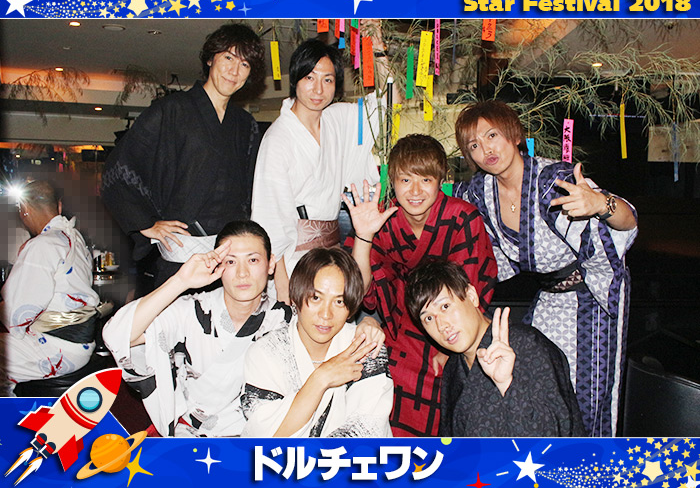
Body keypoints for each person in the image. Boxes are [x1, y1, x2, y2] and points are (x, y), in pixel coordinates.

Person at [455, 100, 638, 437]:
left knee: (588, 398)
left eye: (492, 135)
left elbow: (628, 221)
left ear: (514, 134)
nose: (486, 149)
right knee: (541, 388)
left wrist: (600, 204)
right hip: (547, 298)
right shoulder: (479, 192)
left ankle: (589, 464)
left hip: (591, 297)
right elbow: (474, 249)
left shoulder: (554, 179)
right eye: (474, 145)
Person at [103, 221, 384, 437]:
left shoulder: (284, 317)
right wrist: (180, 281)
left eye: (253, 260)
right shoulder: (190, 311)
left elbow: (334, 310)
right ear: (217, 265)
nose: (242, 273)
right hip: (192, 442)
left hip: (261, 443)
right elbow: (116, 336)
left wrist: (368, 323)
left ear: (271, 264)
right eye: (230, 261)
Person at [343, 134, 498, 437]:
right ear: (392, 182)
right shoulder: (382, 218)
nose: (415, 191)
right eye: (405, 180)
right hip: (399, 323)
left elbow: (472, 289)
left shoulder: (461, 218)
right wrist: (363, 236)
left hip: (453, 324)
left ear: (441, 180)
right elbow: (358, 291)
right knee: (389, 387)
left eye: (425, 180)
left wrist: (451, 347)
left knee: (453, 392)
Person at [102, 23, 266, 288]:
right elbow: (120, 168)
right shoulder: (171, 111)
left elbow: (251, 192)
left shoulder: (245, 125)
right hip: (180, 259)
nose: (234, 71)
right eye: (228, 58)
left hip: (229, 261)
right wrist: (146, 224)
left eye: (244, 64)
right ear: (210, 58)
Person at [251, 20, 390, 304]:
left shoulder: (337, 119)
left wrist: (376, 46)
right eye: (310, 78)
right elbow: (269, 219)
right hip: (293, 262)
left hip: (332, 254)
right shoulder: (278, 138)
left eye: (327, 80)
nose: (318, 89)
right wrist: (281, 286)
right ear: (296, 80)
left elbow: (387, 103)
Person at [405, 260, 585, 437]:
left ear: (471, 296)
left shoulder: (527, 345)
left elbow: (555, 439)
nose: (441, 326)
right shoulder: (453, 367)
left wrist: (507, 385)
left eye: (445, 306)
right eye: (428, 318)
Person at [241, 248, 393, 437]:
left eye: (339, 302)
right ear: (295, 297)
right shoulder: (266, 352)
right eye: (316, 298)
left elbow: (366, 432)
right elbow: (264, 438)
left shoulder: (366, 347)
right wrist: (321, 378)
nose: (326, 314)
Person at [0, 180, 101, 396]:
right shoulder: (74, 238)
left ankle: (8, 412)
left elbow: (16, 315)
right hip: (79, 345)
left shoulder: (42, 245)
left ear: (24, 209)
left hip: (55, 349)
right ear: (59, 206)